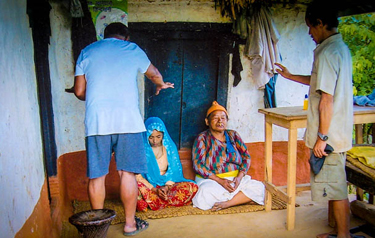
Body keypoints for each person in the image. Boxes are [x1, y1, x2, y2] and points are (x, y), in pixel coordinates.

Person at [73, 22, 174, 236]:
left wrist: (96, 93)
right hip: (128, 122)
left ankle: (98, 229)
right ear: (125, 37)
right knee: (127, 174)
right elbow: (154, 73)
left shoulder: (87, 51)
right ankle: (129, 224)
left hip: (97, 123)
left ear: (105, 36)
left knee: (97, 177)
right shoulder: (132, 49)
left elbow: (79, 91)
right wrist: (159, 83)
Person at [275, 2, 358, 237]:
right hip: (336, 131)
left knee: (336, 187)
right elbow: (319, 84)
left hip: (329, 134)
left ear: (320, 23)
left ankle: (343, 235)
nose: (309, 33)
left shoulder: (328, 52)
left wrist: (322, 137)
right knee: (334, 184)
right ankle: (338, 230)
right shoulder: (338, 48)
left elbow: (326, 100)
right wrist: (290, 76)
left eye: (310, 27)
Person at [192, 101, 265, 211]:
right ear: (207, 121)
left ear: (227, 121)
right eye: (215, 118)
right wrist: (220, 180)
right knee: (204, 193)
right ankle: (242, 199)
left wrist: (239, 178)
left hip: (235, 180)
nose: (220, 121)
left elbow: (246, 157)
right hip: (212, 180)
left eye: (223, 118)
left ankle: (227, 204)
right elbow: (198, 165)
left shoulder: (233, 135)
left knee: (260, 188)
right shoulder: (202, 138)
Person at [135, 117, 198, 211]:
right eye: (151, 137)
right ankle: (164, 201)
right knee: (134, 187)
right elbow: (138, 177)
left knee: (192, 187)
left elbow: (174, 172)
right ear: (146, 136)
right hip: (150, 187)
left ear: (163, 135)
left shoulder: (169, 148)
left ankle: (155, 202)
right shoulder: (141, 151)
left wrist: (167, 187)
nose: (155, 141)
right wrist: (155, 190)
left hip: (168, 185)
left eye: (158, 137)